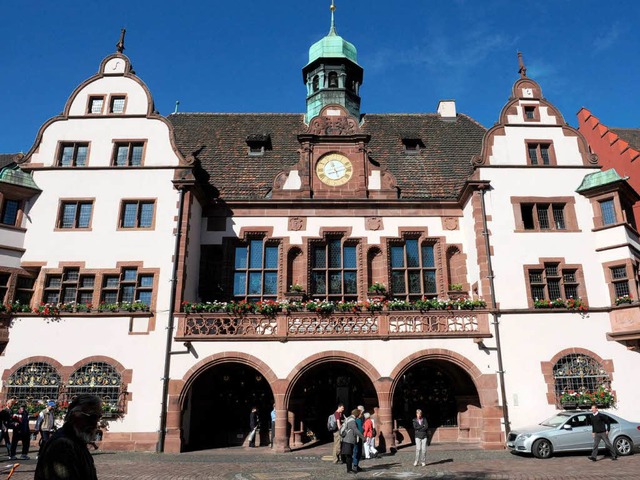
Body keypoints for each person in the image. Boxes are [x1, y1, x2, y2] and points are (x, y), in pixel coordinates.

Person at [34, 394, 101, 480]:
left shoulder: (77, 440)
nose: (95, 423)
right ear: (75, 415)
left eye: (98, 417)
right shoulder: (62, 445)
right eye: (92, 417)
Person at [341, 409, 366, 475]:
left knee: (349, 455)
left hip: (348, 440)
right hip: (348, 440)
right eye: (360, 414)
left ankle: (350, 469)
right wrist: (363, 437)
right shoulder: (352, 420)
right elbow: (356, 430)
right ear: (357, 414)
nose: (361, 415)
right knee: (349, 456)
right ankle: (349, 470)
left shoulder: (350, 418)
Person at [352, 406, 365, 471]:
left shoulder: (359, 419)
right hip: (357, 438)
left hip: (358, 437)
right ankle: (355, 465)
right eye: (360, 414)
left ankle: (356, 465)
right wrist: (363, 429)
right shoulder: (357, 420)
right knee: (356, 451)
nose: (361, 415)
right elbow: (359, 430)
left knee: (358, 451)